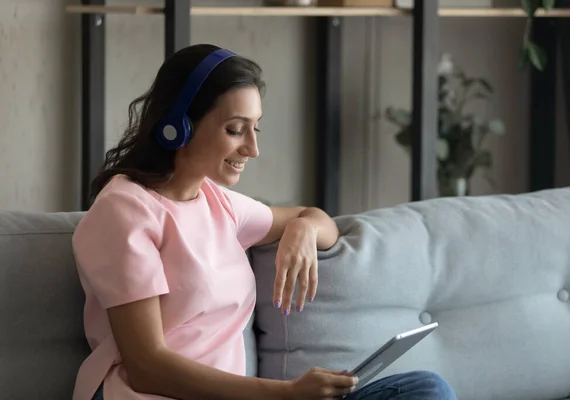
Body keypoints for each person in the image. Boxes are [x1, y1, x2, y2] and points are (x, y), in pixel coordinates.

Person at [71, 43, 456, 400]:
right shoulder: (125, 210)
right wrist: (286, 394)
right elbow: (146, 368)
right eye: (235, 130)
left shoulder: (218, 203)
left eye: (255, 128)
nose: (252, 149)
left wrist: (302, 229)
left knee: (426, 389)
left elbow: (319, 220)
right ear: (179, 124)